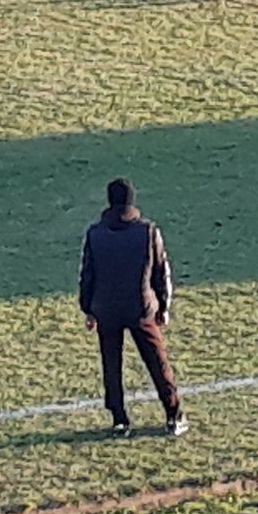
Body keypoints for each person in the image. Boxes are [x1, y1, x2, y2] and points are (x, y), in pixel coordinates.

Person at [78, 177, 186, 439]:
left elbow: (87, 275)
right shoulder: (147, 232)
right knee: (157, 363)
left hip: (106, 309)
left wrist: (88, 309)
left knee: (111, 365)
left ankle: (119, 419)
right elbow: (162, 272)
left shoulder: (95, 233)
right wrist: (164, 306)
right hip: (141, 308)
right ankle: (173, 414)